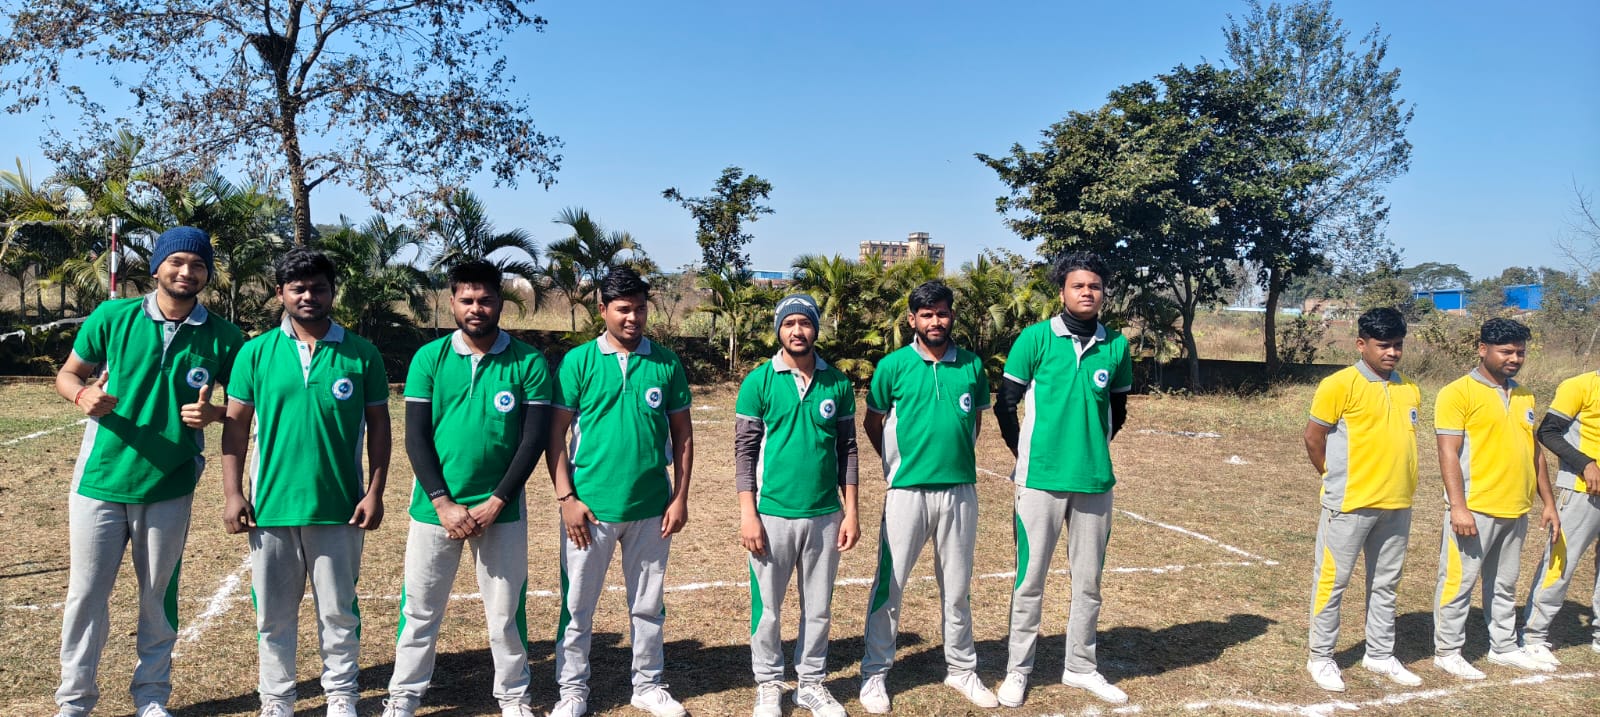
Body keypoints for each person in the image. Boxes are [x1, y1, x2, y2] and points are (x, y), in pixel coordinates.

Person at [52, 227, 243, 717]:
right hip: (101, 480)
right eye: (176, 261)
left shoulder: (224, 337)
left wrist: (214, 414)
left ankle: (152, 695)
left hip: (170, 483)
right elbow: (68, 374)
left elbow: (247, 407)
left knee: (158, 595)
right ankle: (74, 700)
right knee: (86, 595)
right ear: (157, 267)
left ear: (207, 274)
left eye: (197, 265)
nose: (186, 272)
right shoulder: (112, 316)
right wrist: (82, 394)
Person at [220, 248, 391, 717]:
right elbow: (235, 428)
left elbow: (380, 428)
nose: (308, 296)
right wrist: (233, 494)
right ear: (281, 293)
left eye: (318, 288)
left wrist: (374, 492)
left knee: (338, 611)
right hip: (270, 507)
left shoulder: (361, 353)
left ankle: (341, 695)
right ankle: (277, 699)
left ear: (333, 292)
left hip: (340, 507)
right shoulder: (255, 352)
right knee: (273, 615)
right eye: (298, 288)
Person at [381, 261, 551, 717]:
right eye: (467, 300)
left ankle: (513, 696)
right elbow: (416, 437)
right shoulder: (429, 358)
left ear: (500, 302)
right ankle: (404, 695)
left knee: (505, 612)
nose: (477, 308)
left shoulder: (529, 361)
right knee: (420, 609)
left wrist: (497, 500)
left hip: (501, 510)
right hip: (435, 509)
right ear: (453, 302)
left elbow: (532, 440)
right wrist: (442, 502)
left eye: (486, 299)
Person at [547, 267, 693, 717]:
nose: (633, 318)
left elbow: (683, 436)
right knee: (577, 607)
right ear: (603, 310)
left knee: (648, 605)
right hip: (590, 510)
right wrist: (567, 499)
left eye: (640, 309)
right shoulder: (578, 361)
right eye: (624, 309)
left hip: (651, 508)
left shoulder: (666, 363)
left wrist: (680, 497)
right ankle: (572, 690)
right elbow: (555, 436)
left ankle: (648, 685)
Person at [992, 251, 1132, 706]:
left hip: (1094, 481)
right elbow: (1004, 404)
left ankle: (1081, 667)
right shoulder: (1035, 338)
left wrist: (1090, 448)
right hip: (1039, 481)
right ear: (1062, 292)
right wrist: (1026, 455)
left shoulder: (1117, 345)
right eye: (1078, 285)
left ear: (1103, 293)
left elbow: (1117, 410)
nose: (1087, 292)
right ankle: (1018, 670)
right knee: (1029, 580)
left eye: (1094, 286)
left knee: (1089, 583)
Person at [858, 280, 998, 714]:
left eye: (942, 313)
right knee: (891, 584)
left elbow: (973, 423)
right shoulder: (893, 366)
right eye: (926, 314)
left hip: (960, 491)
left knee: (957, 586)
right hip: (907, 492)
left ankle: (961, 669)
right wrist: (899, 465)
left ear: (951, 315)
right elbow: (873, 423)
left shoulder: (972, 365)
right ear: (912, 320)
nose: (935, 321)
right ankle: (874, 673)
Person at [734, 294, 860, 717]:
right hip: (771, 514)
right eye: (789, 324)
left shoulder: (837, 383)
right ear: (779, 330)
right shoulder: (759, 381)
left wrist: (851, 511)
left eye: (804, 323)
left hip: (825, 515)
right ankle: (769, 682)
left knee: (818, 607)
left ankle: (811, 683)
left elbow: (848, 451)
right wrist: (749, 514)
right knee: (768, 609)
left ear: (815, 328)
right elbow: (745, 454)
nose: (797, 331)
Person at [1300, 307, 1423, 692]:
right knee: (1332, 581)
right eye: (1383, 345)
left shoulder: (1409, 388)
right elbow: (1313, 438)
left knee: (1386, 583)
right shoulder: (1339, 384)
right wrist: (1333, 477)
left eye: (1397, 345)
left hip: (1396, 504)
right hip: (1350, 503)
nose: (1392, 353)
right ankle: (1321, 657)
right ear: (1361, 344)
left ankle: (1380, 654)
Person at [1431, 317, 1559, 679]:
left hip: (1516, 508)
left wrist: (1548, 503)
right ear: (1482, 349)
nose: (1514, 359)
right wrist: (1458, 506)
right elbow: (1447, 452)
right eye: (1506, 352)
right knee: (1458, 583)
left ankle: (1503, 647)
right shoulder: (1457, 393)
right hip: (1475, 508)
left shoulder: (1524, 394)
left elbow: (1534, 452)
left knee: (1504, 585)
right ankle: (1448, 651)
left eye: (1520, 352)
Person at [1519, 362, 1600, 666]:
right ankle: (1533, 636)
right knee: (1561, 561)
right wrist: (1585, 463)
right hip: (1581, 489)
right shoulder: (1579, 385)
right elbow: (1548, 432)